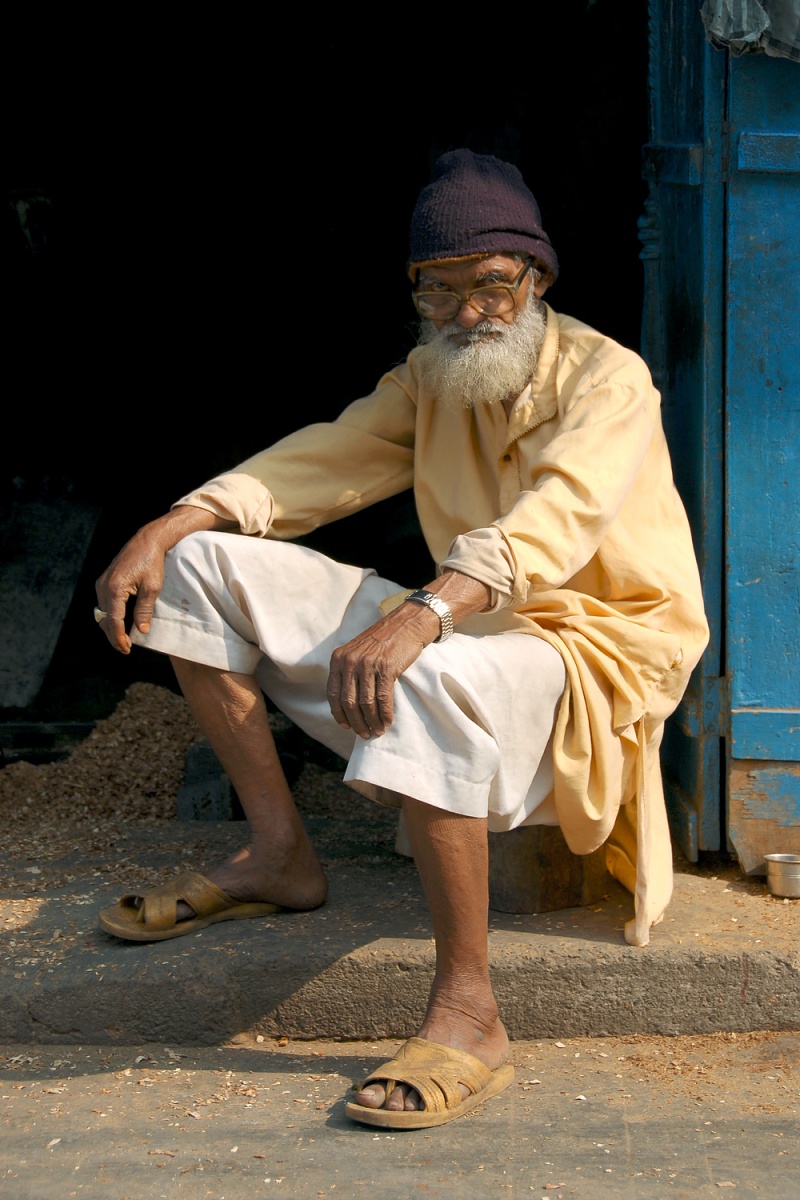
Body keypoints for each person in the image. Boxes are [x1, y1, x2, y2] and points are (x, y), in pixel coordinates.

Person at [94, 149, 709, 1130]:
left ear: (535, 279)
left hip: (594, 647)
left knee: (427, 672)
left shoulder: (608, 377)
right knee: (205, 567)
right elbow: (322, 462)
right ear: (416, 295)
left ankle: (468, 1016)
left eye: (490, 286)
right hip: (469, 624)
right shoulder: (429, 377)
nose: (468, 314)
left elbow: (559, 513)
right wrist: (172, 523)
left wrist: (424, 611)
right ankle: (277, 856)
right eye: (441, 291)